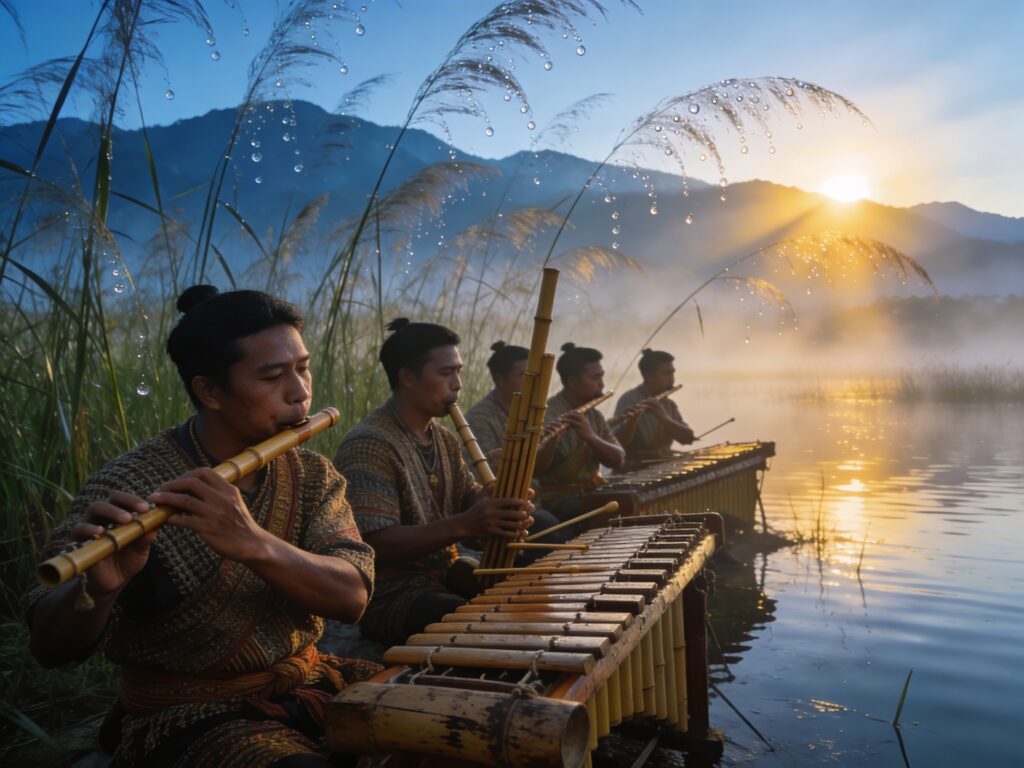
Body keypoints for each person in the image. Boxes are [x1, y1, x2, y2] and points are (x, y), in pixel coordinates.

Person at [24, 285, 378, 768]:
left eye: (303, 367)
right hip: (186, 716)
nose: (300, 391)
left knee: (441, 722)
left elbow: (352, 598)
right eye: (273, 376)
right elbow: (49, 648)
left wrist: (252, 542)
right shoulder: (128, 484)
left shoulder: (313, 474)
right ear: (209, 390)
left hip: (308, 683)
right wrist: (99, 590)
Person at [333, 319, 533, 647]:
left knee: (526, 594)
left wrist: (495, 505)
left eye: (459, 372)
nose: (457, 385)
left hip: (445, 575)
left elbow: (466, 498)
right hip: (390, 594)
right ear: (407, 377)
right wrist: (467, 524)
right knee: (479, 626)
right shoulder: (369, 444)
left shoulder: (443, 436)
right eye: (445, 374)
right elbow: (374, 544)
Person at [464, 341, 573, 552]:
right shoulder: (480, 418)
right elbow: (490, 474)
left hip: (527, 506)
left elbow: (536, 468)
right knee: (553, 531)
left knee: (560, 532)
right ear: (499, 379)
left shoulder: (530, 411)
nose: (531, 382)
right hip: (496, 510)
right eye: (523, 375)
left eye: (533, 375)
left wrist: (551, 441)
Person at [534, 342, 625, 526]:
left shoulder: (594, 415)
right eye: (595, 378)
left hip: (591, 494)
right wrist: (551, 441)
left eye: (602, 377)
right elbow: (535, 471)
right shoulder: (546, 414)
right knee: (624, 509)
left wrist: (590, 436)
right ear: (572, 381)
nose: (602, 384)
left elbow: (619, 459)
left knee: (635, 498)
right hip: (557, 501)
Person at [613, 348, 695, 466]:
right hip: (632, 472)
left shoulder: (669, 404)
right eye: (666, 374)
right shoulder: (629, 400)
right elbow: (617, 444)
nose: (672, 379)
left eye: (672, 373)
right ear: (649, 376)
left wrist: (664, 417)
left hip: (663, 469)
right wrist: (630, 423)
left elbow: (688, 439)